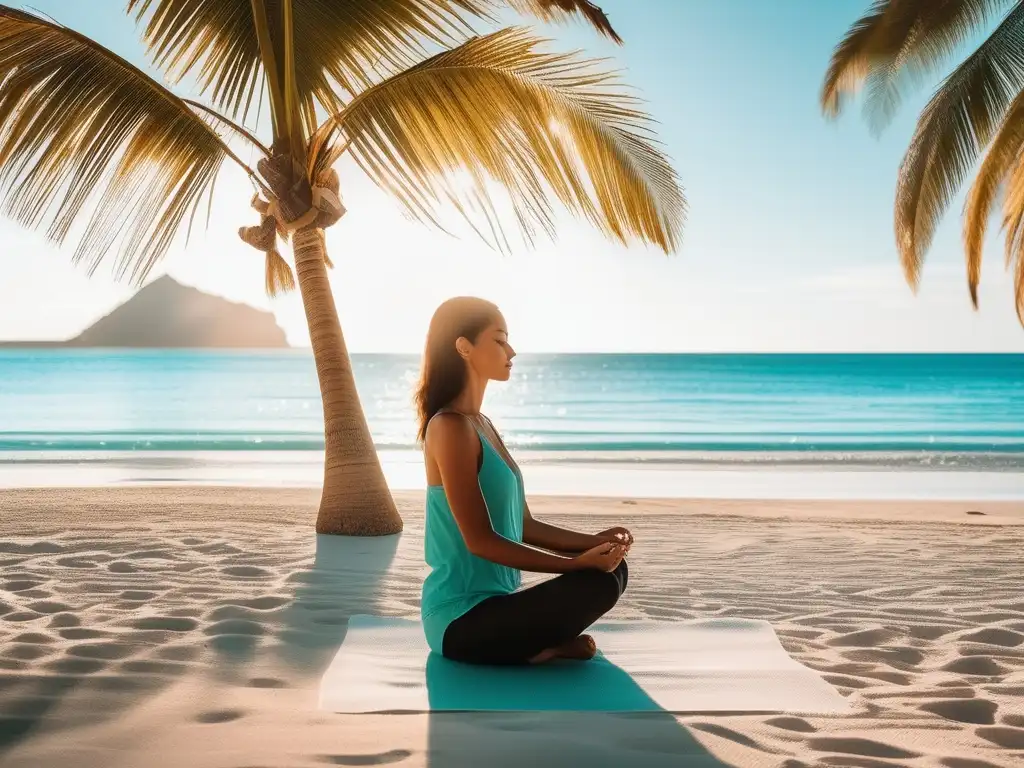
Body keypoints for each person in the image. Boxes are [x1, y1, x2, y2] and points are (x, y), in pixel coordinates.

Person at [414, 296, 633, 666]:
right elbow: (480, 541)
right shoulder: (449, 427)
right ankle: (539, 648)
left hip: (500, 604)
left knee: (614, 571)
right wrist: (577, 564)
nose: (511, 350)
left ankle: (537, 646)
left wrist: (594, 544)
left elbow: (524, 525)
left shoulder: (482, 425)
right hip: (458, 621)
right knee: (595, 581)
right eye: (499, 340)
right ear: (464, 347)